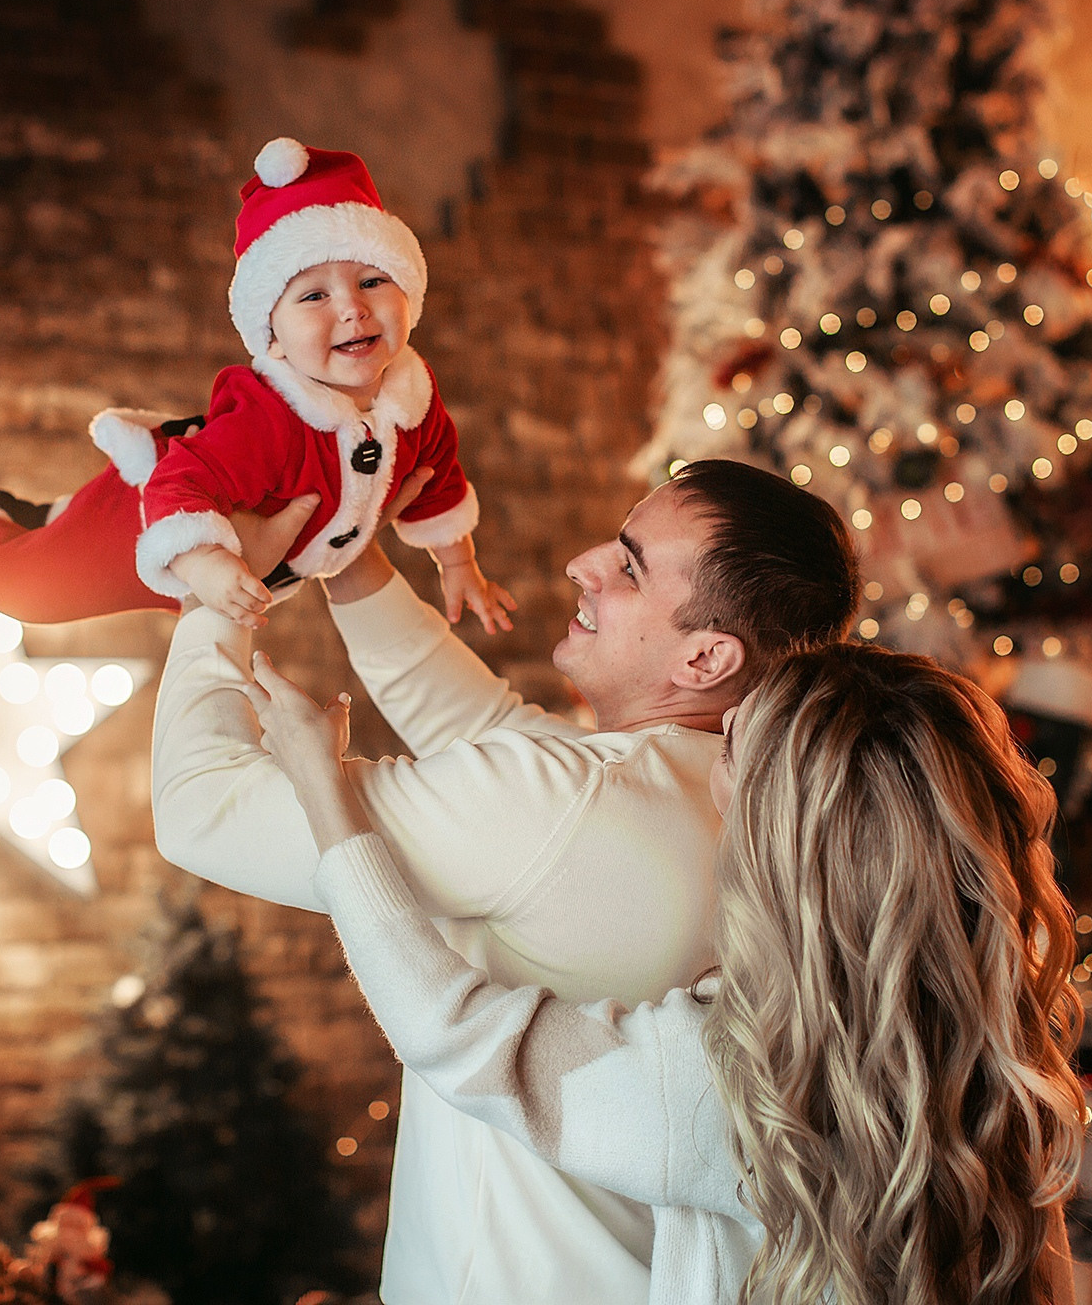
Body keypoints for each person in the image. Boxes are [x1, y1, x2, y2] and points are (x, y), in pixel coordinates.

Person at [151, 458, 861, 1304]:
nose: (585, 564)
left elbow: (202, 807)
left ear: (706, 657)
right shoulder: (739, 792)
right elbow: (478, 725)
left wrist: (215, 593)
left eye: (629, 567)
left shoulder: (570, 800)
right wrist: (345, 542)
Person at [247, 641, 1087, 1305]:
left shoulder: (730, 1084)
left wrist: (323, 785)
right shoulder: (1000, 1072)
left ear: (777, 829)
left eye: (729, 745)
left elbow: (453, 1032)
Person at [0, 137, 513, 633]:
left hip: (227, 543)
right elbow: (179, 488)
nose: (352, 309)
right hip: (148, 527)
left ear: (409, 292)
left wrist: (458, 566)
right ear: (271, 335)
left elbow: (439, 483)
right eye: (313, 295)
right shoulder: (271, 419)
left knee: (58, 539)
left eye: (373, 281)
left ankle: (28, 515)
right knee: (37, 592)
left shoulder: (414, 404)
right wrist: (208, 566)